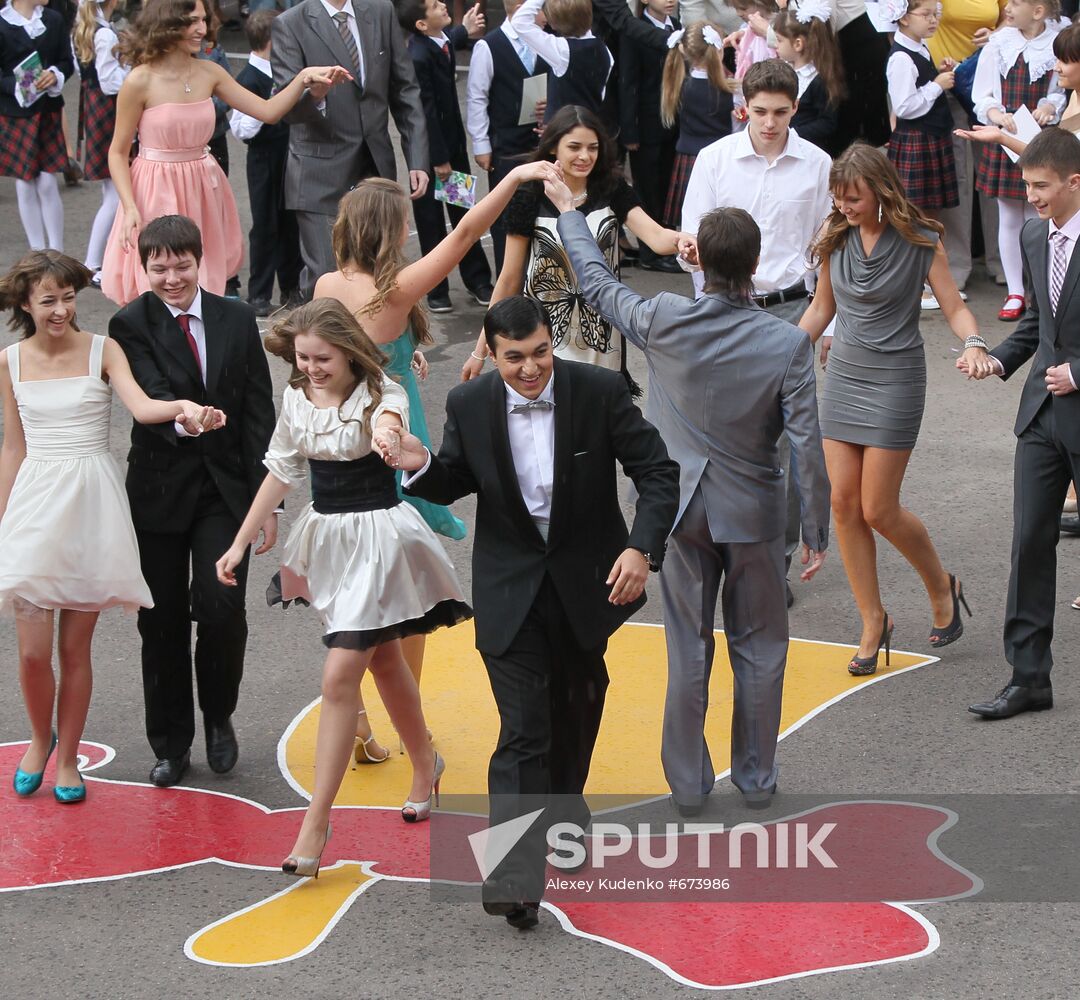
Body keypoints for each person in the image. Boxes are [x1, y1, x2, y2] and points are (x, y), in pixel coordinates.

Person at [393, 295, 679, 928]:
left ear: (554, 344)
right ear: (491, 356)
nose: (530, 369)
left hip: (588, 582)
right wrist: (420, 470)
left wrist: (641, 547)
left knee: (577, 703)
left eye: (540, 353)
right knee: (523, 730)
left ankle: (564, 800)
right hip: (509, 587)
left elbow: (658, 471)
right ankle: (516, 880)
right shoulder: (469, 404)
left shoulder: (599, 391)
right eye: (515, 358)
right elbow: (456, 477)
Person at [556, 192, 830, 812]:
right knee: (759, 649)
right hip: (755, 511)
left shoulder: (662, 317)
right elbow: (807, 442)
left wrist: (571, 215)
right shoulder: (784, 343)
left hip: (678, 509)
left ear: (697, 260)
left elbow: (596, 283)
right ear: (756, 265)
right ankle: (756, 780)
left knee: (688, 646)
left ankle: (687, 783)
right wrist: (815, 525)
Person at [313, 158, 562, 762]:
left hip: (345, 440)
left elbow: (352, 351)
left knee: (364, 587)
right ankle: (404, 718)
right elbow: (466, 232)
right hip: (397, 437)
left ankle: (364, 716)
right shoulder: (392, 289)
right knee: (409, 594)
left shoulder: (327, 286)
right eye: (402, 225)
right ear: (386, 231)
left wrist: (403, 354)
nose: (409, 233)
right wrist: (516, 177)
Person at [215, 299, 472, 876]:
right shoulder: (294, 400)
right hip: (330, 544)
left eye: (322, 357)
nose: (310, 367)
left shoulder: (382, 393)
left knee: (339, 675)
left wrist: (385, 436)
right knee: (383, 663)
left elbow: (391, 423)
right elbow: (281, 471)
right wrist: (238, 542)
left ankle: (316, 820)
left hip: (379, 544)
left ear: (349, 350)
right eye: (302, 357)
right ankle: (427, 763)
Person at [0, 251, 223, 804]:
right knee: (32, 652)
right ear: (26, 304)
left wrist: (185, 409)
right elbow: (12, 446)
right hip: (34, 504)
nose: (60, 310)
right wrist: (3, 519)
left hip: (91, 507)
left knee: (76, 651)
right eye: (48, 300)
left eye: (68, 297)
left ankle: (70, 757)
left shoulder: (104, 349)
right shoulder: (9, 361)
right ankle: (38, 739)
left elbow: (143, 407)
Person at [798, 144, 982, 674]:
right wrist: (782, 354)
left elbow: (956, 307)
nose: (844, 206)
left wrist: (975, 344)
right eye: (838, 198)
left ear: (880, 191)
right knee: (843, 503)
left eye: (853, 197)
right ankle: (873, 619)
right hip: (846, 378)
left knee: (878, 508)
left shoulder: (922, 241)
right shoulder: (836, 238)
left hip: (897, 379)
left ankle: (942, 585)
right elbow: (821, 309)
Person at [108, 215, 278, 788]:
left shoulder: (236, 317)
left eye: (182, 265)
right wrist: (187, 418)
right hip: (157, 491)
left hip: (226, 492)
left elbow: (259, 410)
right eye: (160, 267)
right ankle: (171, 743)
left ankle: (219, 717)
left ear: (200, 261)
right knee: (161, 623)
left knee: (223, 610)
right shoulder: (128, 323)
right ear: (144, 267)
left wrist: (267, 501)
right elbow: (149, 397)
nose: (172, 277)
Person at [681, 58, 832, 605]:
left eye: (781, 112)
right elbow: (692, 239)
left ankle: (777, 560)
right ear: (744, 107)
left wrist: (828, 317)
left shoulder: (816, 163)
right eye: (760, 111)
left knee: (791, 442)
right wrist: (706, 312)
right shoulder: (715, 158)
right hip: (723, 309)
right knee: (718, 433)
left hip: (790, 310)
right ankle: (715, 545)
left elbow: (824, 246)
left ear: (795, 108)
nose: (770, 122)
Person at [101, 0, 349, 306]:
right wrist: (129, 207)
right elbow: (117, 152)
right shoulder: (139, 80)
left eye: (204, 20)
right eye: (192, 21)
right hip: (155, 187)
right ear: (168, 22)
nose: (202, 29)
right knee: (162, 274)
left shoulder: (210, 72)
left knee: (202, 277)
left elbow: (268, 111)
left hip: (203, 185)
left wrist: (303, 79)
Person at [961, 127, 1080, 719]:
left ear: (1073, 182)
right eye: (1026, 184)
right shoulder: (1035, 235)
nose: (1029, 196)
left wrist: (1079, 373)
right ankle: (1028, 676)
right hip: (1040, 415)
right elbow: (1038, 324)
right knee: (1031, 541)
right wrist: (997, 360)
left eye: (1040, 186)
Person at [461, 105, 690, 384]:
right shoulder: (529, 194)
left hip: (603, 331)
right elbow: (509, 280)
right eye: (574, 147)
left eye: (592, 148)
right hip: (546, 333)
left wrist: (681, 241)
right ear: (554, 148)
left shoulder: (612, 188)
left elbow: (656, 237)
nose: (585, 156)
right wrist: (480, 350)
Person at [271, 0, 430, 297]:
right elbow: (284, 109)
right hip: (319, 173)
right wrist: (314, 94)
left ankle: (380, 343)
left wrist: (417, 158)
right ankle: (326, 344)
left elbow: (405, 89)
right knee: (326, 280)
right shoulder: (291, 23)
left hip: (375, 168)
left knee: (382, 274)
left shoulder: (381, 11)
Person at [973, 0, 1064, 322]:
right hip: (1006, 139)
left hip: (1041, 139)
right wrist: (997, 113)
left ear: (1038, 11)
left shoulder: (1057, 41)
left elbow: (1059, 90)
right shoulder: (999, 44)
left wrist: (1049, 107)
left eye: (1016, 3)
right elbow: (982, 94)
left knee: (1041, 215)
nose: (1007, 8)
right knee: (1009, 215)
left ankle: (1041, 287)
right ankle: (1015, 291)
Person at [400, 0, 493, 314]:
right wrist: (438, 158)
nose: (442, 5)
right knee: (430, 221)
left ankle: (477, 280)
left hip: (451, 147)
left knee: (463, 214)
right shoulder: (417, 55)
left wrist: (463, 29)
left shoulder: (439, 42)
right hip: (429, 155)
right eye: (434, 5)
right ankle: (436, 288)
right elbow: (425, 111)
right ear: (421, 25)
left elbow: (449, 39)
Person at [465, 0, 551, 274]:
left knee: (542, 218)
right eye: (541, 8)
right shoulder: (489, 46)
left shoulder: (547, 42)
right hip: (505, 146)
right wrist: (481, 144)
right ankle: (507, 288)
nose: (546, 15)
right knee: (506, 219)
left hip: (541, 144)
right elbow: (477, 97)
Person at [885, 0, 960, 310]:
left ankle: (931, 282)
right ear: (903, 18)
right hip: (916, 139)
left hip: (929, 138)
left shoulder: (919, 47)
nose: (933, 20)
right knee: (915, 216)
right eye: (926, 14)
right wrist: (936, 86)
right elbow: (904, 106)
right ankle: (916, 286)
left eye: (935, 14)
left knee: (930, 215)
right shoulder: (900, 57)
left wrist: (938, 74)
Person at [928, 0, 1008, 292]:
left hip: (988, 84)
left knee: (993, 177)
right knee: (958, 178)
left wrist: (996, 33)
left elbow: (1013, 13)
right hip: (948, 84)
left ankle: (1002, 261)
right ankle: (957, 264)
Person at [229, 8, 302, 317]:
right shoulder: (250, 78)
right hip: (264, 159)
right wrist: (270, 103)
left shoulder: (283, 71)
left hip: (288, 154)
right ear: (274, 41)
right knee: (266, 225)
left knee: (291, 221)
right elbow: (241, 128)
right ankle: (259, 292)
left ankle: (290, 284)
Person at [0, 0, 74, 252]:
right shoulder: (1, 23)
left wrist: (55, 74)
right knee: (24, 181)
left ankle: (56, 250)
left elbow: (67, 60)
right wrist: (17, 86)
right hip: (16, 112)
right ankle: (37, 251)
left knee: (47, 181)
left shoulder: (53, 19)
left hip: (47, 110)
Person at [619, 0, 682, 272]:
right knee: (647, 189)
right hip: (645, 125)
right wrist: (629, 130)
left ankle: (666, 245)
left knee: (667, 187)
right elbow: (628, 82)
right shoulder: (635, 31)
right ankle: (650, 252)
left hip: (673, 123)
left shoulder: (677, 27)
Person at [658, 20, 736, 229]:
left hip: (688, 158)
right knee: (721, 219)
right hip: (721, 158)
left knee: (692, 219)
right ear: (718, 50)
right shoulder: (730, 90)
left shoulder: (678, 84)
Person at [72, 0, 127, 286]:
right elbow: (109, 81)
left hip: (95, 108)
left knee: (113, 193)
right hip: (107, 111)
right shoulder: (104, 35)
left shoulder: (84, 29)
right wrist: (133, 74)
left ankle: (97, 260)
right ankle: (93, 262)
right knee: (114, 194)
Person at [512, 0, 613, 119]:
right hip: (590, 124)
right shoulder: (603, 49)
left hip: (564, 128)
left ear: (553, 23)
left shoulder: (562, 50)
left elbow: (519, 22)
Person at [773, 1, 845, 155]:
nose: (775, 45)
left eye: (779, 40)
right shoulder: (783, 70)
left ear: (798, 44)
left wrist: (792, 133)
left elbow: (827, 123)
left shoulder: (819, 80)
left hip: (807, 151)